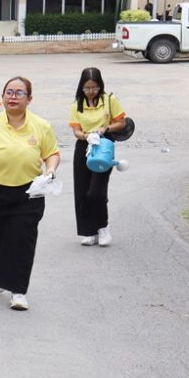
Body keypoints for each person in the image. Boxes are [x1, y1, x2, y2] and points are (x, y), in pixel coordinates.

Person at [0, 77, 60, 312]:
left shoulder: (41, 126)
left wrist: (50, 171)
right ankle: (5, 272)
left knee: (21, 241)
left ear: (29, 99)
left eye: (19, 93)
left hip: (29, 192)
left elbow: (52, 154)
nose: (13, 97)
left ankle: (18, 292)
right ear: (2, 97)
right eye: (9, 92)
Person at [68, 67, 127, 247]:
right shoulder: (77, 105)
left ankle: (103, 227)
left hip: (104, 147)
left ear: (100, 85)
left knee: (96, 192)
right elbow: (76, 131)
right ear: (81, 87)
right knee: (82, 191)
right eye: (87, 88)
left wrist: (105, 128)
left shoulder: (109, 100)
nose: (91, 91)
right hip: (84, 146)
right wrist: (86, 136)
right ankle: (89, 231)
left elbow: (121, 122)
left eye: (94, 87)